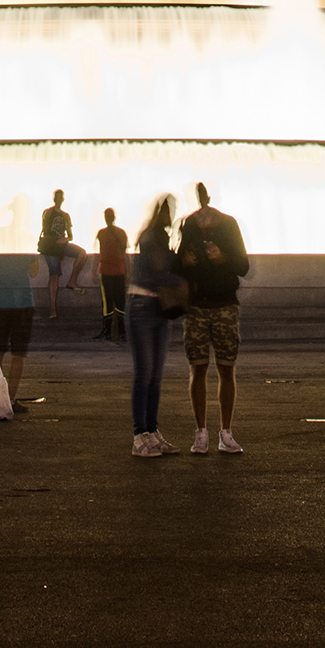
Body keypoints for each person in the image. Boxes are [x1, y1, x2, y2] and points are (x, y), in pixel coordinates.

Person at [177, 180, 250, 455]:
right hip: (197, 306)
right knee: (197, 367)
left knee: (226, 367)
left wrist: (222, 257)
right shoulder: (189, 226)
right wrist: (185, 262)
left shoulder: (229, 225)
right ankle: (201, 432)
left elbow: (243, 265)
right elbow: (178, 263)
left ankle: (225, 432)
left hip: (224, 305)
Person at [125, 195, 183, 457]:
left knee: (155, 377)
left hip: (157, 309)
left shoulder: (158, 237)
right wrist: (182, 278)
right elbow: (155, 274)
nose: (173, 214)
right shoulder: (151, 238)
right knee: (145, 374)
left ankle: (152, 431)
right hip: (141, 308)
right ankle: (140, 436)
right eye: (170, 209)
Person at [0, 220, 41, 399]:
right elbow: (34, 272)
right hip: (22, 304)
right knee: (18, 355)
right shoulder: (27, 241)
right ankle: (10, 399)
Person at [94, 207, 130, 343]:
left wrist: (94, 270)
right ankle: (122, 332)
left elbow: (99, 253)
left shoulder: (101, 234)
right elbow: (125, 254)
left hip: (106, 271)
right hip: (119, 270)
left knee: (107, 303)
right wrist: (128, 271)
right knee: (120, 302)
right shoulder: (121, 233)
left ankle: (107, 332)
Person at [39, 191, 77, 318]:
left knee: (82, 254)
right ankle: (52, 309)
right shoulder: (49, 212)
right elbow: (45, 226)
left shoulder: (65, 216)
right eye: (57, 197)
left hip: (60, 246)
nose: (59, 200)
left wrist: (64, 240)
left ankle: (72, 281)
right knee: (54, 275)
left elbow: (70, 235)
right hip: (50, 247)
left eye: (60, 198)